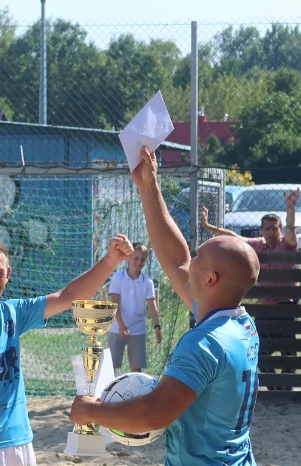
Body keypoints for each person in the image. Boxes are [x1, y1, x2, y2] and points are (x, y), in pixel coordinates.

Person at [70, 147, 261, 466]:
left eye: (199, 259)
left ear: (211, 279)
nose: (191, 261)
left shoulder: (204, 343)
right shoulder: (240, 324)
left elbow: (152, 414)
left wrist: (91, 411)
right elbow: (177, 259)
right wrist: (149, 187)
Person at [0, 236, 134, 466]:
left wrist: (111, 260)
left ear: (8, 274)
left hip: (19, 440)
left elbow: (68, 297)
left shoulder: (12, 313)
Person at [202, 192, 300, 390]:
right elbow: (233, 238)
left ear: (280, 230)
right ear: (261, 230)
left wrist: (290, 207)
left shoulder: (287, 245)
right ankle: (272, 384)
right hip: (264, 307)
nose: (271, 232)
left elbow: (291, 230)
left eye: (274, 228)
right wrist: (208, 226)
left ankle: (287, 385)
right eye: (267, 228)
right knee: (262, 348)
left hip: (287, 305)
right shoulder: (257, 245)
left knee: (287, 349)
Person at [107, 242, 161, 373]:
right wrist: (120, 325)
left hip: (137, 330)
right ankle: (108, 392)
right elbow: (114, 304)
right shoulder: (117, 277)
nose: (138, 262)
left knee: (136, 369)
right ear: (129, 258)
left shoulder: (147, 282)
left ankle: (134, 393)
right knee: (111, 367)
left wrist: (157, 327)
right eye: (136, 258)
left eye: (142, 259)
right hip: (116, 328)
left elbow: (152, 306)